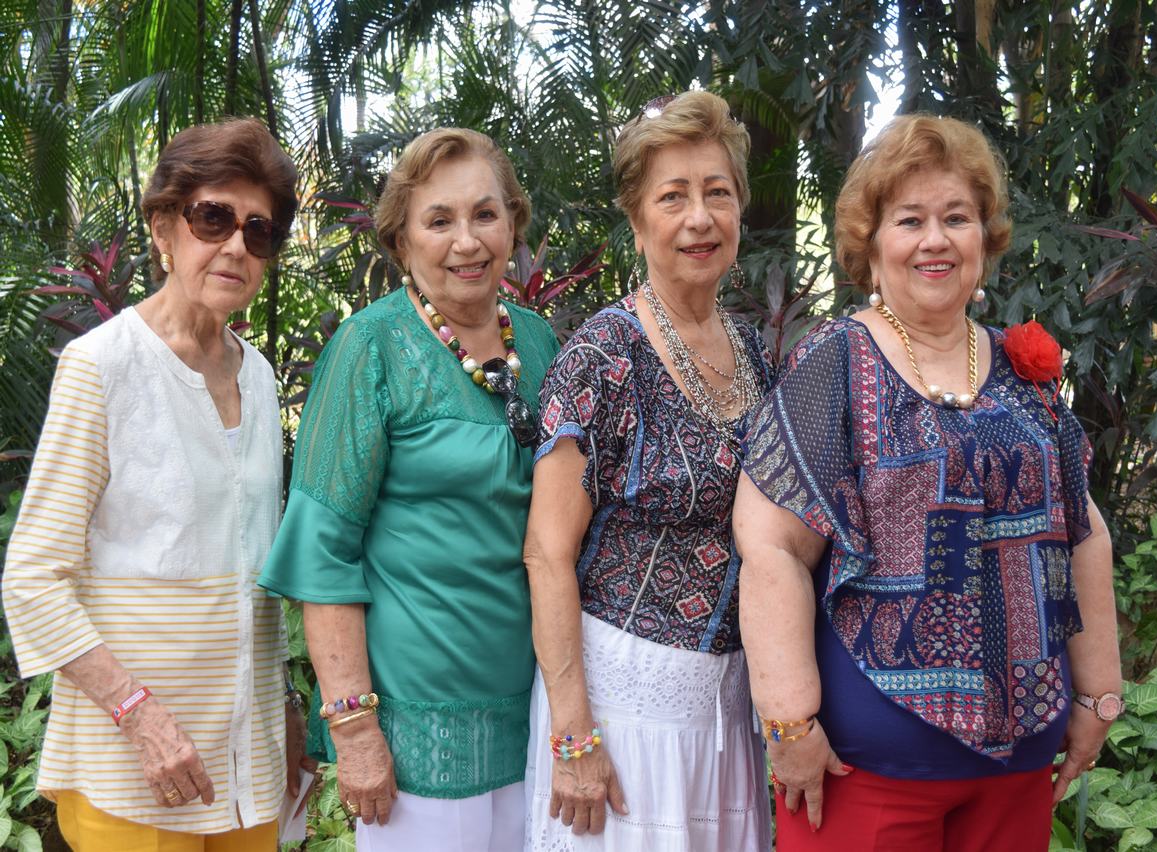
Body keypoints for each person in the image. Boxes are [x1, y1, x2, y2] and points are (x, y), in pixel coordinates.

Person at [734, 114, 1121, 851]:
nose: (935, 239)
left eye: (956, 218)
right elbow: (770, 544)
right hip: (864, 766)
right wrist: (786, 721)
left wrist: (1097, 692)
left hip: (1018, 762)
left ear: (984, 238)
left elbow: (1081, 527)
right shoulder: (833, 362)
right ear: (871, 245)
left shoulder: (1020, 368)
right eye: (910, 220)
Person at [2, 118, 312, 849]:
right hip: (137, 762)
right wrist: (137, 713)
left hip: (249, 761)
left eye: (258, 231)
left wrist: (287, 709)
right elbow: (33, 578)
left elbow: (253, 570)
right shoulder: (102, 365)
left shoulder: (261, 379)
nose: (235, 244)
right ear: (164, 227)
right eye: (213, 218)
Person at [257, 127, 560, 852]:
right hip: (415, 726)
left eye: (486, 215)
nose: (467, 241)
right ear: (401, 242)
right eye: (439, 220)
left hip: (539, 713)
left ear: (513, 224)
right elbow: (324, 551)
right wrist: (354, 730)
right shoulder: (370, 348)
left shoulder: (542, 343)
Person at [522, 91, 774, 851]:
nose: (699, 218)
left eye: (716, 193)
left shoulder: (749, 349)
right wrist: (573, 735)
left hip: (725, 704)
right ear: (637, 221)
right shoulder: (604, 353)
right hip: (620, 706)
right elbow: (545, 552)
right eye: (673, 197)